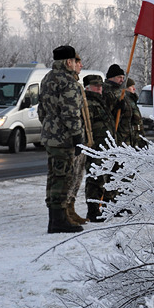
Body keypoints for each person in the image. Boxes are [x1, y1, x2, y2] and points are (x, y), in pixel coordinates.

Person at [38, 45, 84, 233]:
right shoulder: (68, 82)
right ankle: (58, 221)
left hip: (50, 136)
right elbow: (71, 113)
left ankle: (56, 218)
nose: (75, 64)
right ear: (68, 62)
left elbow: (41, 109)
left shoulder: (47, 78)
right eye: (74, 61)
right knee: (63, 178)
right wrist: (77, 136)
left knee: (54, 176)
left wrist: (49, 127)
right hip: (64, 138)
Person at [83, 74, 116, 221]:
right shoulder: (88, 103)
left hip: (104, 145)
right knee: (94, 178)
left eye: (101, 85)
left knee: (101, 178)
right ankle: (93, 211)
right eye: (97, 86)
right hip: (95, 146)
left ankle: (98, 208)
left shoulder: (99, 101)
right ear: (88, 87)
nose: (100, 88)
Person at [66, 53, 93, 225]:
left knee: (78, 177)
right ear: (70, 62)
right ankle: (66, 211)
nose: (81, 65)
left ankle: (72, 208)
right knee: (70, 177)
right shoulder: (67, 85)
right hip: (71, 140)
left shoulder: (77, 84)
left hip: (81, 138)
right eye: (78, 62)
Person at [102, 64, 132, 145]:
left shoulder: (120, 90)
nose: (122, 80)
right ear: (111, 77)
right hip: (114, 134)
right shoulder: (106, 90)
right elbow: (105, 113)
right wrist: (116, 108)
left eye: (123, 78)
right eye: (119, 77)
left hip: (124, 134)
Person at [125, 78, 148, 148]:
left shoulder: (132, 100)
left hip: (137, 137)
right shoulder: (125, 101)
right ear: (125, 88)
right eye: (131, 87)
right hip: (130, 139)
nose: (134, 89)